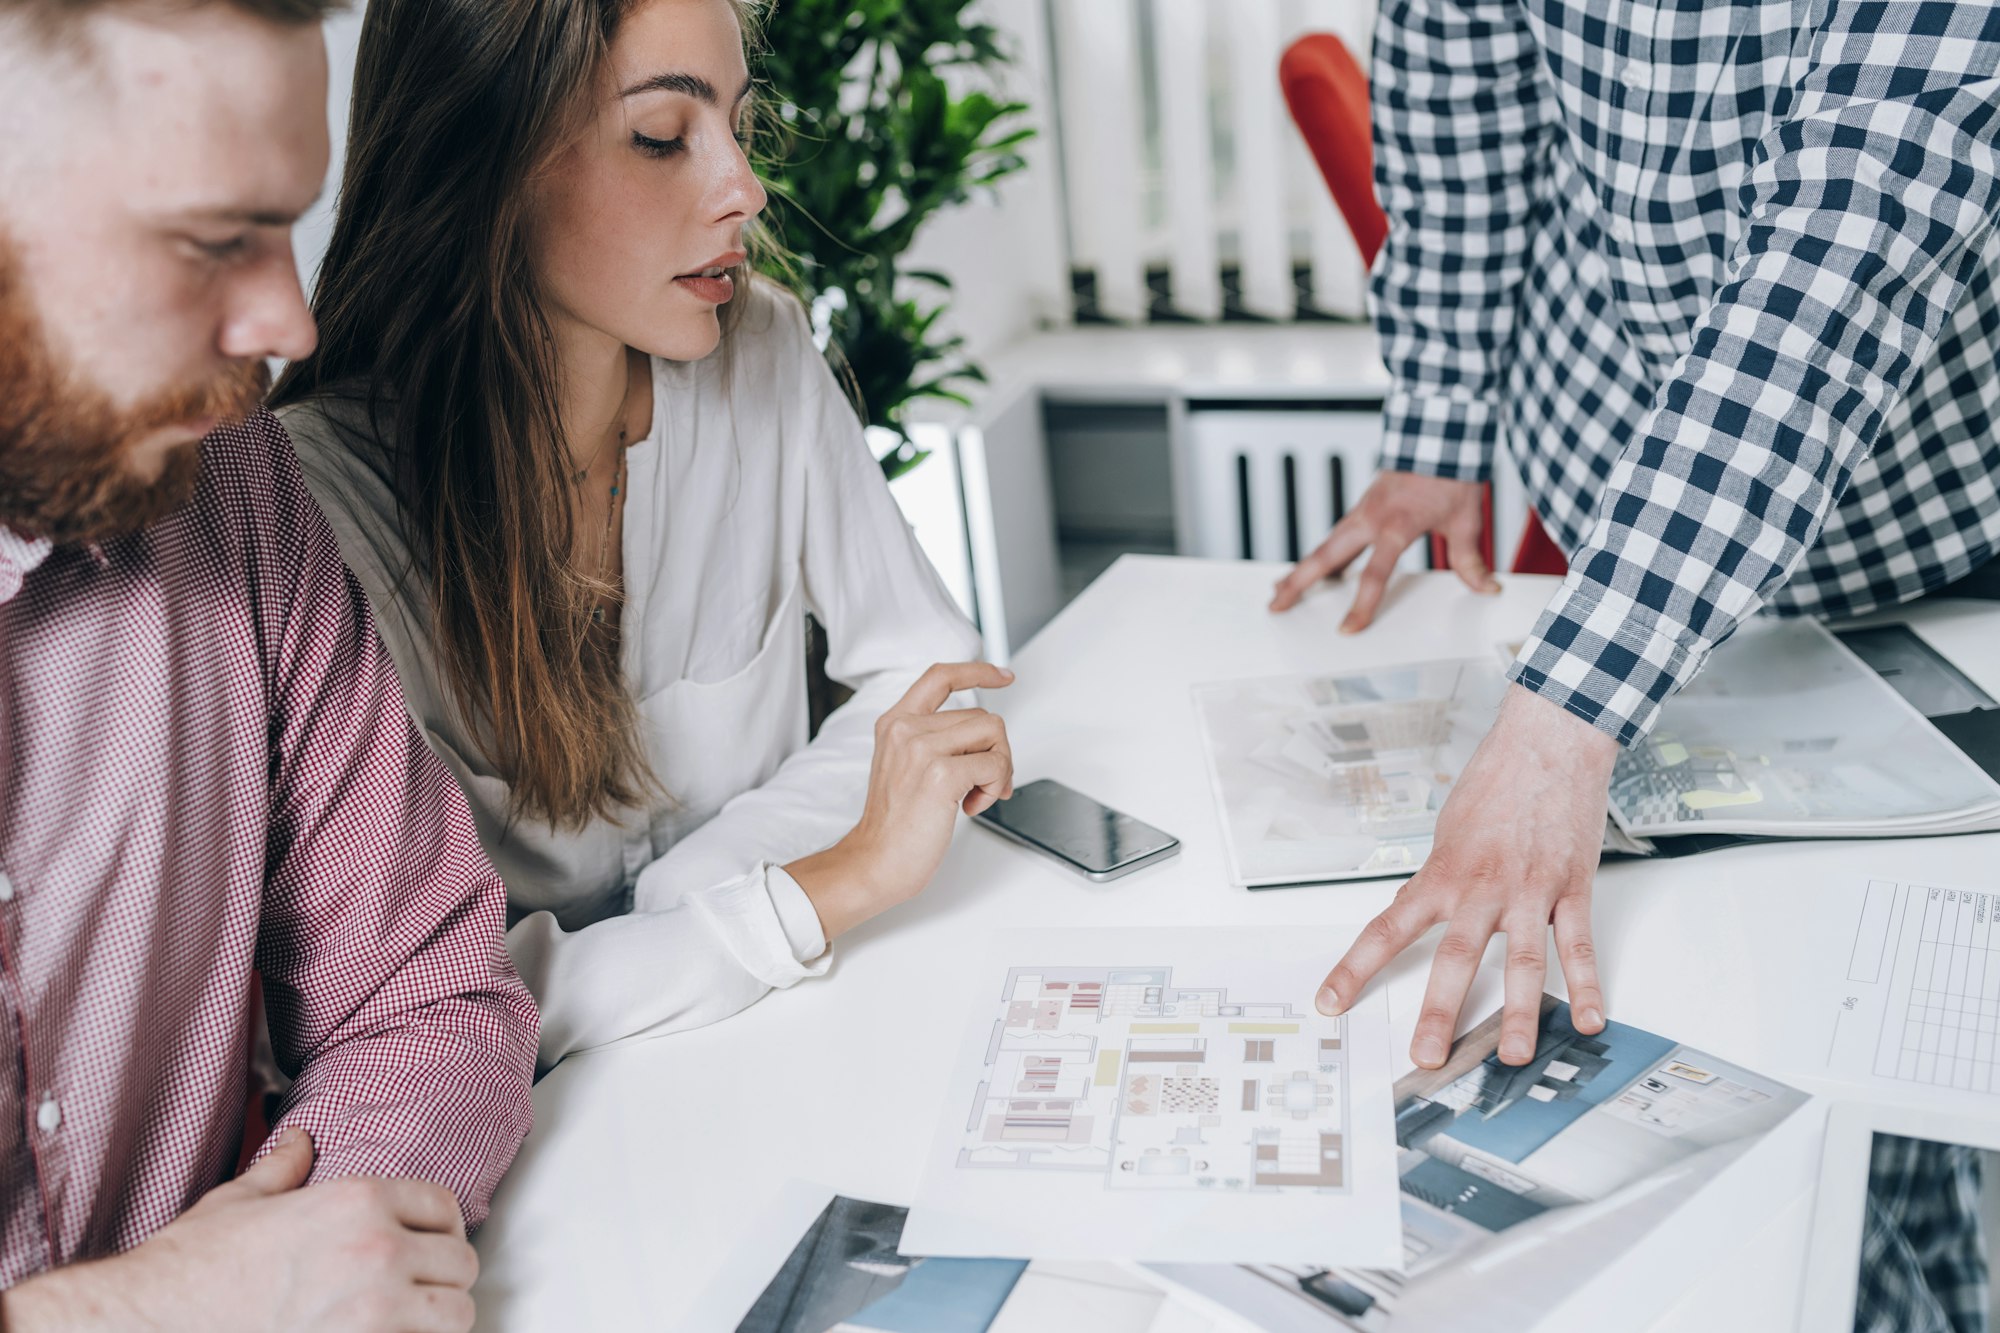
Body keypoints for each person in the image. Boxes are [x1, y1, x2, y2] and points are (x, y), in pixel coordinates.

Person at [1273, 1, 1998, 1325]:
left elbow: (1841, 260)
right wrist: (1439, 424)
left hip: (1927, 507)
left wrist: (1562, 716)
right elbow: (1455, 115)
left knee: (1901, 1052)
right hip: (1617, 446)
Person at [271, 0, 1013, 1074]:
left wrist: (691, 894)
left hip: (787, 1045)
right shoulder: (316, 508)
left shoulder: (757, 350)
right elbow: (417, 1013)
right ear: (485, 159)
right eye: (664, 137)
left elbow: (932, 678)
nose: (745, 190)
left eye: (739, 128)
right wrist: (827, 881)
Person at [0, 0, 540, 1328]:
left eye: (287, 224)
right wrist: (142, 1312)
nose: (290, 323)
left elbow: (430, 991)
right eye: (214, 241)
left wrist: (317, 1256)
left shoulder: (227, 483)